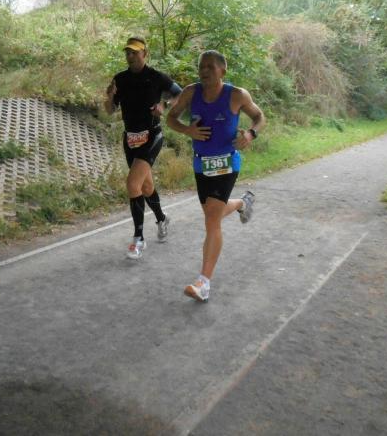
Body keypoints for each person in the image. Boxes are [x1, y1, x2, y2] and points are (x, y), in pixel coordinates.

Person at [166, 50, 266, 303]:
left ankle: (204, 283)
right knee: (214, 213)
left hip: (227, 163)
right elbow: (170, 118)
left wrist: (250, 134)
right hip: (202, 164)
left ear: (223, 70)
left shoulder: (237, 95)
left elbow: (259, 117)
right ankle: (242, 203)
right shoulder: (191, 92)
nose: (204, 70)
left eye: (210, 66)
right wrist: (187, 130)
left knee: (212, 218)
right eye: (201, 66)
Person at [104, 36, 182, 260]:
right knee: (145, 186)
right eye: (127, 53)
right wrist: (109, 96)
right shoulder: (120, 79)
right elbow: (110, 110)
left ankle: (139, 238)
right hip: (130, 139)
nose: (130, 56)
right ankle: (162, 219)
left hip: (152, 136)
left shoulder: (156, 77)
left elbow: (181, 94)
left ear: (145, 54)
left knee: (132, 183)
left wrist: (164, 104)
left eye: (135, 52)